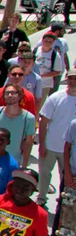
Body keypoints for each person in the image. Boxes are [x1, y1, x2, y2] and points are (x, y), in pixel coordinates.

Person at [37, 69, 76, 207]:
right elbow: (43, 122)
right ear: (67, 79)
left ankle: (62, 199)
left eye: (75, 79)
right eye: (71, 78)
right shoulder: (55, 97)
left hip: (70, 150)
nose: (73, 81)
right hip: (50, 145)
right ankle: (41, 198)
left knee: (66, 177)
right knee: (44, 174)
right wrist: (42, 144)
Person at [0, 84, 35, 168]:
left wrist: (24, 166)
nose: (10, 95)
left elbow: (28, 143)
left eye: (13, 93)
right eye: (7, 93)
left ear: (19, 96)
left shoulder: (29, 118)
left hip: (13, 162)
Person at [52, 118, 76, 236]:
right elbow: (67, 148)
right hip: (72, 170)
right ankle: (56, 234)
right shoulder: (74, 124)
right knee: (64, 202)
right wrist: (67, 172)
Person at [33, 31, 64, 103]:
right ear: (42, 40)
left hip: (45, 84)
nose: (47, 43)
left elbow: (57, 72)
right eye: (46, 41)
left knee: (39, 104)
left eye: (50, 42)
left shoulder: (55, 55)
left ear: (53, 43)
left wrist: (43, 75)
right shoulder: (36, 51)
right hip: (33, 82)